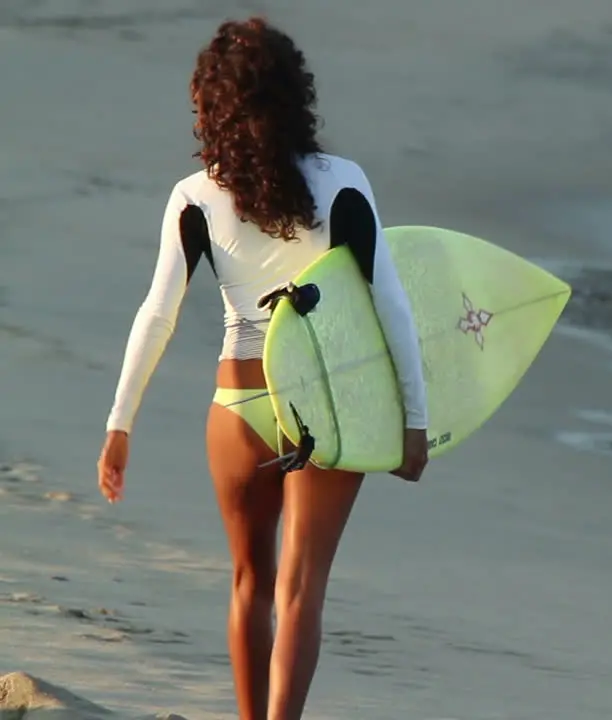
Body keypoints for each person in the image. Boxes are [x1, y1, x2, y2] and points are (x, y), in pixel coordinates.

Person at [95, 16, 430, 720]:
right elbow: (390, 303)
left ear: (210, 106)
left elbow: (158, 312)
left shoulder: (195, 196)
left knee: (251, 579)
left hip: (239, 406)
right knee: (302, 587)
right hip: (329, 407)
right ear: (295, 94)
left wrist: (119, 423)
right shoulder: (343, 183)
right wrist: (415, 420)